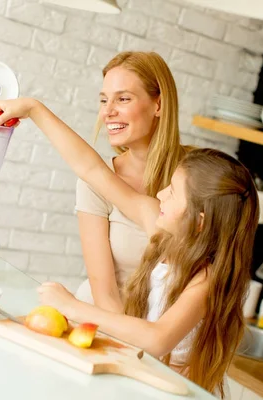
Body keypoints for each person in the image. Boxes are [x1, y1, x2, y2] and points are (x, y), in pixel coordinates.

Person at [0, 99, 259, 398]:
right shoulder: (161, 228)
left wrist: (73, 307)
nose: (161, 193)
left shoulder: (207, 277)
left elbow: (158, 339)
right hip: (143, 378)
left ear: (199, 221)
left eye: (173, 192)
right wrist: (35, 110)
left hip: (175, 391)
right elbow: (93, 170)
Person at [75, 51, 189, 313]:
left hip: (160, 335)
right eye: (104, 101)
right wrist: (128, 343)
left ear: (158, 105)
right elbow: (104, 291)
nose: (108, 112)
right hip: (105, 321)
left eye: (123, 99)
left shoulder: (195, 173)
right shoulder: (97, 181)